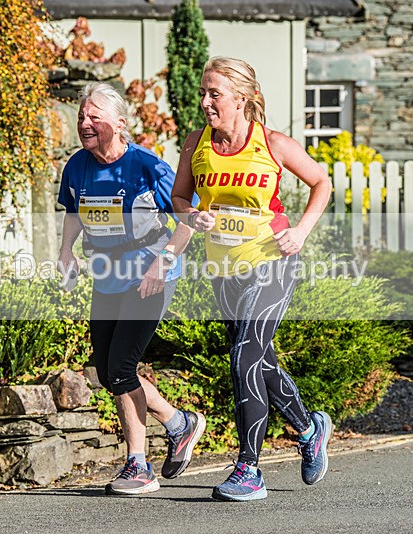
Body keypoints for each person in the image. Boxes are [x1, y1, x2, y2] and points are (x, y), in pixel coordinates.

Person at [171, 57, 334, 502]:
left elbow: (322, 182)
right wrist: (192, 215)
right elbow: (180, 197)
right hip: (224, 269)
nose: (205, 102)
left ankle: (249, 469)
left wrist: (300, 232)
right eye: (203, 93)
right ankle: (308, 428)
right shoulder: (195, 144)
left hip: (271, 262)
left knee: (245, 356)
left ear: (241, 98)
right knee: (260, 362)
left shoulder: (273, 143)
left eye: (214, 94)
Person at [57, 81, 206, 496]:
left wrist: (164, 261)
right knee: (107, 371)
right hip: (107, 276)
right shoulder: (77, 166)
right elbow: (72, 209)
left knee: (122, 367)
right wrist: (66, 251)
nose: (85, 123)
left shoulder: (147, 166)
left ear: (119, 124)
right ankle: (179, 424)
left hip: (149, 276)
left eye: (94, 117)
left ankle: (138, 465)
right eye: (82, 116)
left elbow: (187, 218)